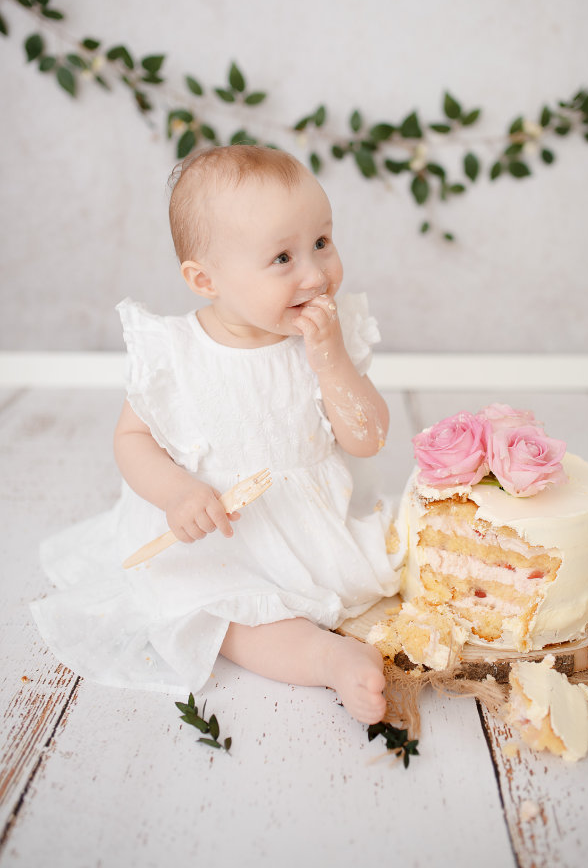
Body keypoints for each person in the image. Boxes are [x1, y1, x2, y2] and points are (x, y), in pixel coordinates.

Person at [31, 145, 400, 726]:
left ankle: (328, 628)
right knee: (217, 611)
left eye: (322, 242)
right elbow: (132, 439)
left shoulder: (329, 337)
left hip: (306, 522)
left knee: (392, 568)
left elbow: (367, 438)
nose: (315, 272)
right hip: (216, 532)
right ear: (205, 278)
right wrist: (177, 493)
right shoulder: (175, 354)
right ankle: (325, 658)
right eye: (282, 256)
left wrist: (331, 361)